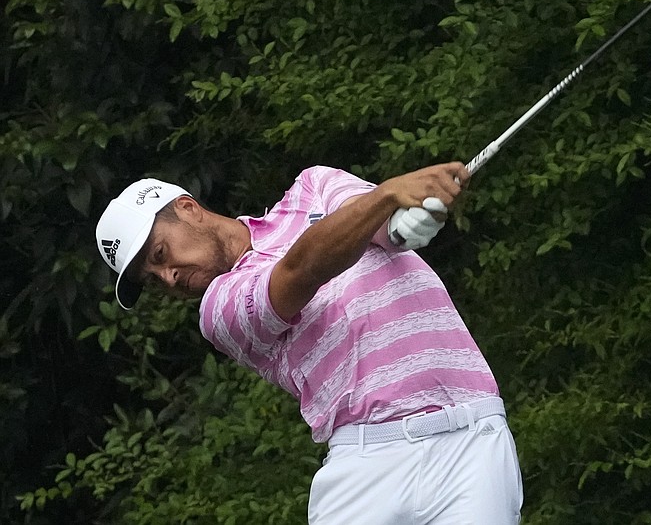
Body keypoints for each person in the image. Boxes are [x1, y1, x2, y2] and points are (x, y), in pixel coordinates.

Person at [95, 162, 523, 524]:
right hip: (366, 463)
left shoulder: (313, 188)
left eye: (159, 254)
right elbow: (299, 272)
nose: (167, 277)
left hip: (473, 439)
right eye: (152, 280)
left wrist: (408, 220)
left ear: (188, 208)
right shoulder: (218, 312)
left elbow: (382, 227)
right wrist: (388, 198)